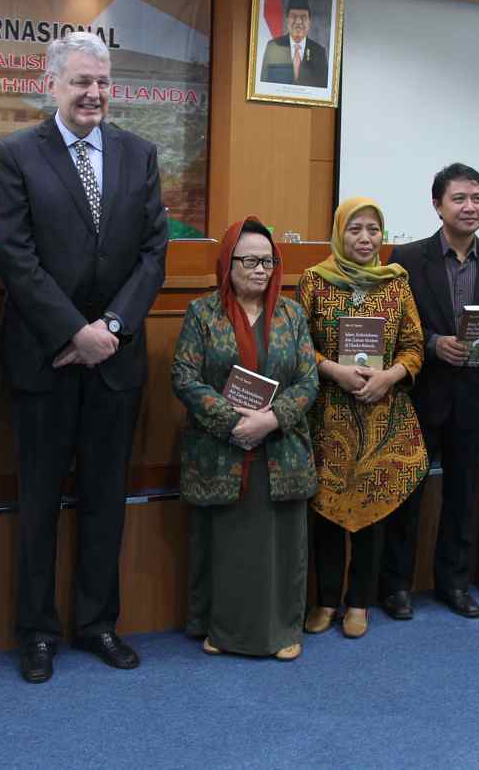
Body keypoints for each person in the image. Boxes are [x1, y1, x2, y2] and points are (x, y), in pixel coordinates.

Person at [0, 31, 169, 683]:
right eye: (81, 82)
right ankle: (36, 632)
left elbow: (154, 253)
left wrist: (112, 326)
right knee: (38, 501)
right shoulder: (14, 154)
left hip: (116, 361)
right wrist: (75, 331)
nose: (94, 93)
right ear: (52, 85)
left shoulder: (138, 154)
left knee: (105, 497)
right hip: (46, 359)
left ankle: (97, 622)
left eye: (102, 82)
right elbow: (15, 255)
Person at [379, 163, 479, 619]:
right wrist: (432, 344)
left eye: (477, 198)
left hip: (478, 396)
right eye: (459, 199)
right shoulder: (405, 256)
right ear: (437, 205)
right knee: (408, 495)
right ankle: (397, 586)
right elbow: (392, 325)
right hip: (423, 394)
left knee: (463, 496)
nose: (469, 207)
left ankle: (454, 583)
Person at [172, 217, 318, 659]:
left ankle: (282, 632)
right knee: (228, 549)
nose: (260, 269)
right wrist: (233, 421)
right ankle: (223, 630)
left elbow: (308, 380)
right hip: (222, 450)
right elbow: (183, 376)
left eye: (268, 260)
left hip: (281, 450)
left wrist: (271, 420)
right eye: (249, 260)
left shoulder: (292, 314)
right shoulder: (203, 312)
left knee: (279, 550)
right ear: (227, 262)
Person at [297, 199, 427, 639]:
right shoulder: (315, 281)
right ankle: (326, 599)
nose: (365, 238)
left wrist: (389, 377)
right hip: (329, 417)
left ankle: (359, 603)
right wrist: (334, 370)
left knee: (374, 514)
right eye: (355, 229)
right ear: (339, 232)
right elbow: (299, 345)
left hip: (381, 417)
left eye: (373, 230)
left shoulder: (397, 284)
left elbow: (414, 345)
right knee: (328, 515)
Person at [259, 0, 329, 88]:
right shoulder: (273, 47)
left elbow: (324, 91)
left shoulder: (319, 52)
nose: (298, 22)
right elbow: (263, 85)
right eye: (294, 16)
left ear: (309, 22)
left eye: (303, 17)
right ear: (287, 19)